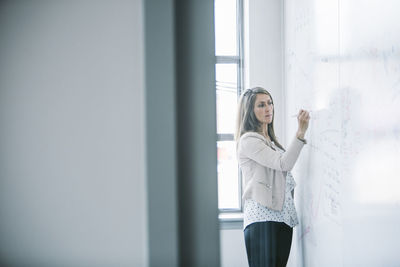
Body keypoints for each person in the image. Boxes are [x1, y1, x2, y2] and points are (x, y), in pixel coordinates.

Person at [235, 87, 310, 267]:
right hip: (263, 219)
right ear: (250, 112)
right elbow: (284, 163)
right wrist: (300, 132)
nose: (268, 108)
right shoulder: (249, 141)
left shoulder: (270, 141)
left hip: (282, 218)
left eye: (270, 103)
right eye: (261, 105)